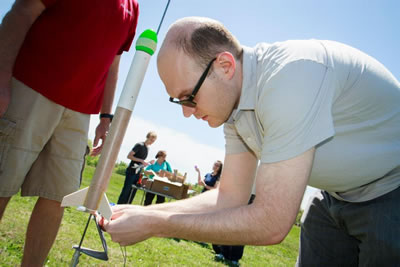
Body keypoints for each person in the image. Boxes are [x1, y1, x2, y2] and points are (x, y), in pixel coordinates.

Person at [104, 17, 400, 266]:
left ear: (224, 65)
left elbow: (271, 223)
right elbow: (229, 198)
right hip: (332, 197)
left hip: (392, 191)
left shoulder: (292, 76)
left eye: (189, 97)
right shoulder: (235, 110)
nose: (186, 112)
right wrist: (143, 213)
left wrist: (155, 225)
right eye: (178, 101)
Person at [0, 1, 139, 266]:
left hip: (79, 113)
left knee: (57, 197)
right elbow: (21, 12)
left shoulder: (132, 7)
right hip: (29, 87)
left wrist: (105, 116)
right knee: (2, 182)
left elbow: (113, 63)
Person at [117, 131, 157, 204]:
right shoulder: (139, 145)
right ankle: (118, 207)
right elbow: (129, 156)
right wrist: (141, 160)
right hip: (131, 171)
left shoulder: (147, 149)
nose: (152, 142)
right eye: (151, 139)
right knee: (126, 191)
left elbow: (141, 162)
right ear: (147, 137)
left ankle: (126, 209)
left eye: (153, 141)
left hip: (138, 173)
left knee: (133, 192)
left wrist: (147, 162)